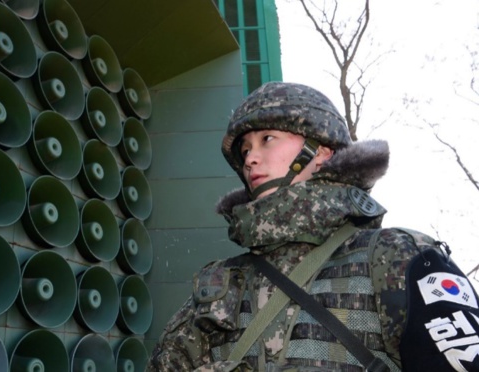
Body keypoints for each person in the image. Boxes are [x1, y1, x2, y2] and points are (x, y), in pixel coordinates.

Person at [147, 82, 479, 371]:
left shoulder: (398, 257)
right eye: (245, 149)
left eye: (267, 139)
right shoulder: (217, 283)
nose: (250, 158)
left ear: (319, 152)